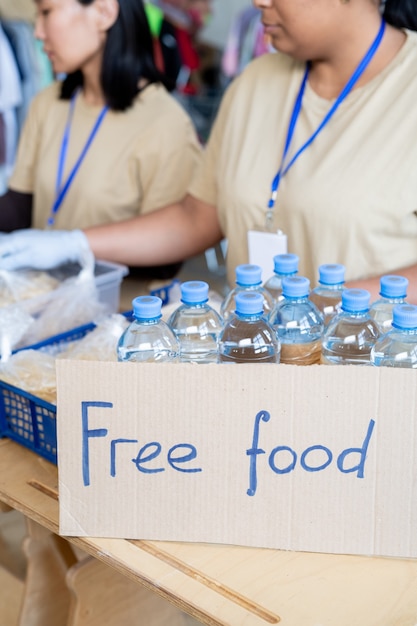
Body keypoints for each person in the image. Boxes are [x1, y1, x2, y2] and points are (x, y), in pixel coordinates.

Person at [1, 0, 417, 303]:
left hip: (370, 383)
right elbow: (197, 216)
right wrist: (74, 242)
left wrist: (326, 306)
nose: (259, 2)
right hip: (253, 363)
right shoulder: (255, 83)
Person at [0, 0, 201, 277]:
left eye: (47, 13)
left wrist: (73, 248)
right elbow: (21, 207)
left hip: (121, 315)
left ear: (104, 12)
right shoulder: (47, 104)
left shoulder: (166, 123)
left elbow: (166, 259)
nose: (38, 32)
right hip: (45, 307)